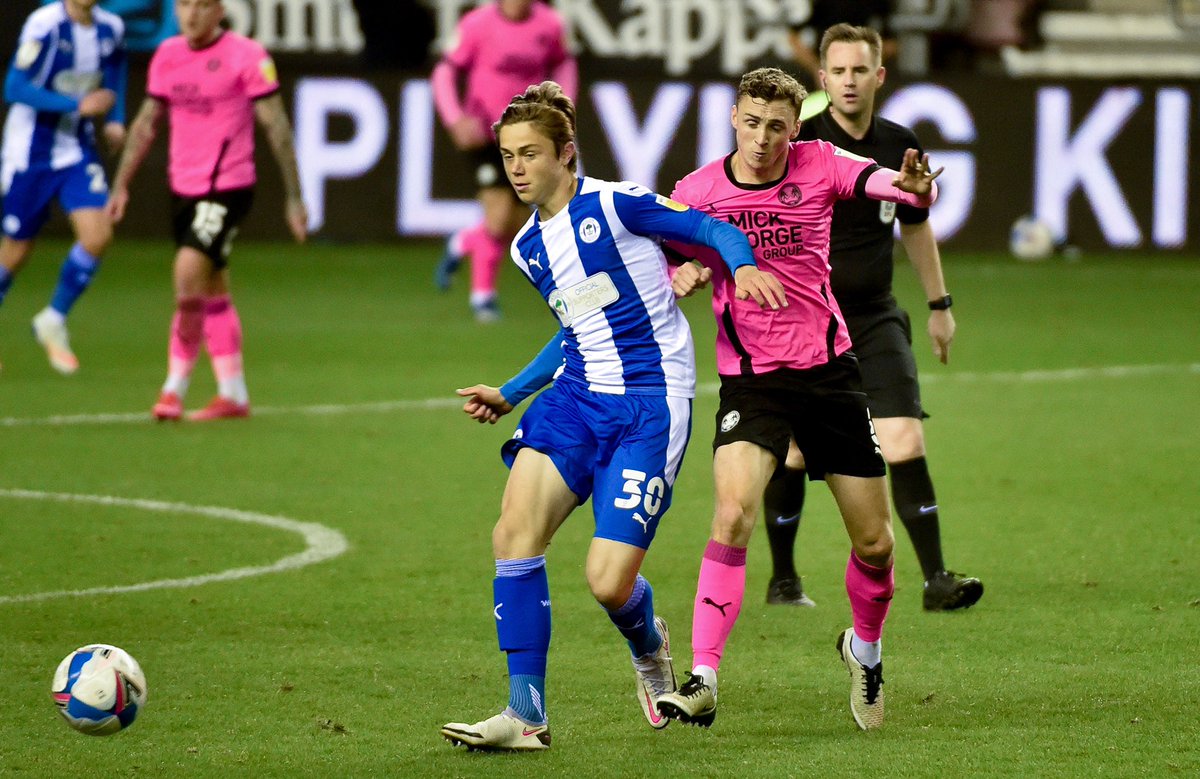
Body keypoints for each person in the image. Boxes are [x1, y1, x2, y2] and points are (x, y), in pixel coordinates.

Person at [439, 81, 785, 752]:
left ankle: (650, 645)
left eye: (530, 153)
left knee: (608, 580)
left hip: (650, 404)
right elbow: (578, 325)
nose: (516, 167)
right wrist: (512, 391)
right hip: (574, 401)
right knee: (513, 532)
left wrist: (739, 268)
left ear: (566, 153)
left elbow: (711, 227)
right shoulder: (527, 248)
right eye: (508, 154)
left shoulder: (618, 204)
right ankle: (525, 714)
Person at [653, 66, 940, 732]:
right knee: (732, 513)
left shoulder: (818, 163)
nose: (761, 139)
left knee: (874, 543)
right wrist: (684, 267)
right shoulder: (699, 189)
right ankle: (703, 676)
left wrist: (912, 187)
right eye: (751, 123)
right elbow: (655, 248)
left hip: (832, 376)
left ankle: (863, 649)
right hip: (753, 383)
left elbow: (879, 182)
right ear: (733, 118)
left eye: (777, 126)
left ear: (794, 127)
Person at [765, 24, 984, 612]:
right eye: (837, 71)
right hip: (807, 322)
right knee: (795, 453)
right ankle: (783, 579)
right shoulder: (801, 143)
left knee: (905, 436)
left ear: (879, 75)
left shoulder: (900, 143)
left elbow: (916, 226)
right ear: (823, 78)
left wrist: (940, 306)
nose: (849, 81)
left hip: (875, 315)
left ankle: (937, 579)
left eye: (860, 70)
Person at [106, 0, 307, 421]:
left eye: (201, 6)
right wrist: (121, 183)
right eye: (183, 5)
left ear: (219, 11)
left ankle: (172, 389)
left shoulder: (247, 56)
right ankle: (232, 392)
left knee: (187, 272)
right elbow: (146, 122)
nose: (191, 15)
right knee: (212, 284)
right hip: (183, 188)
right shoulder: (168, 55)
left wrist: (294, 195)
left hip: (228, 187)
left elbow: (276, 125)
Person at [1, 0, 127, 375]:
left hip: (75, 149)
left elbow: (118, 66)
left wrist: (115, 119)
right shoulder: (44, 25)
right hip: (30, 153)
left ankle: (53, 318)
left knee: (98, 234)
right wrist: (75, 104)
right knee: (16, 250)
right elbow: (15, 86)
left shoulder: (111, 28)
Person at [430, 0, 577, 323]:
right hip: (487, 134)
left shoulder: (549, 24)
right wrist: (455, 119)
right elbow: (444, 71)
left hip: (531, 135)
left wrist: (563, 108)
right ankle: (483, 297)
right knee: (497, 219)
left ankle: (465, 240)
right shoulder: (477, 24)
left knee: (523, 221)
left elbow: (564, 64)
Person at [788, 0, 896, 89]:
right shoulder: (823, 5)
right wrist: (815, 67)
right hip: (825, 73)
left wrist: (867, 70)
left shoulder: (877, 5)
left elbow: (890, 44)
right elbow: (793, 37)